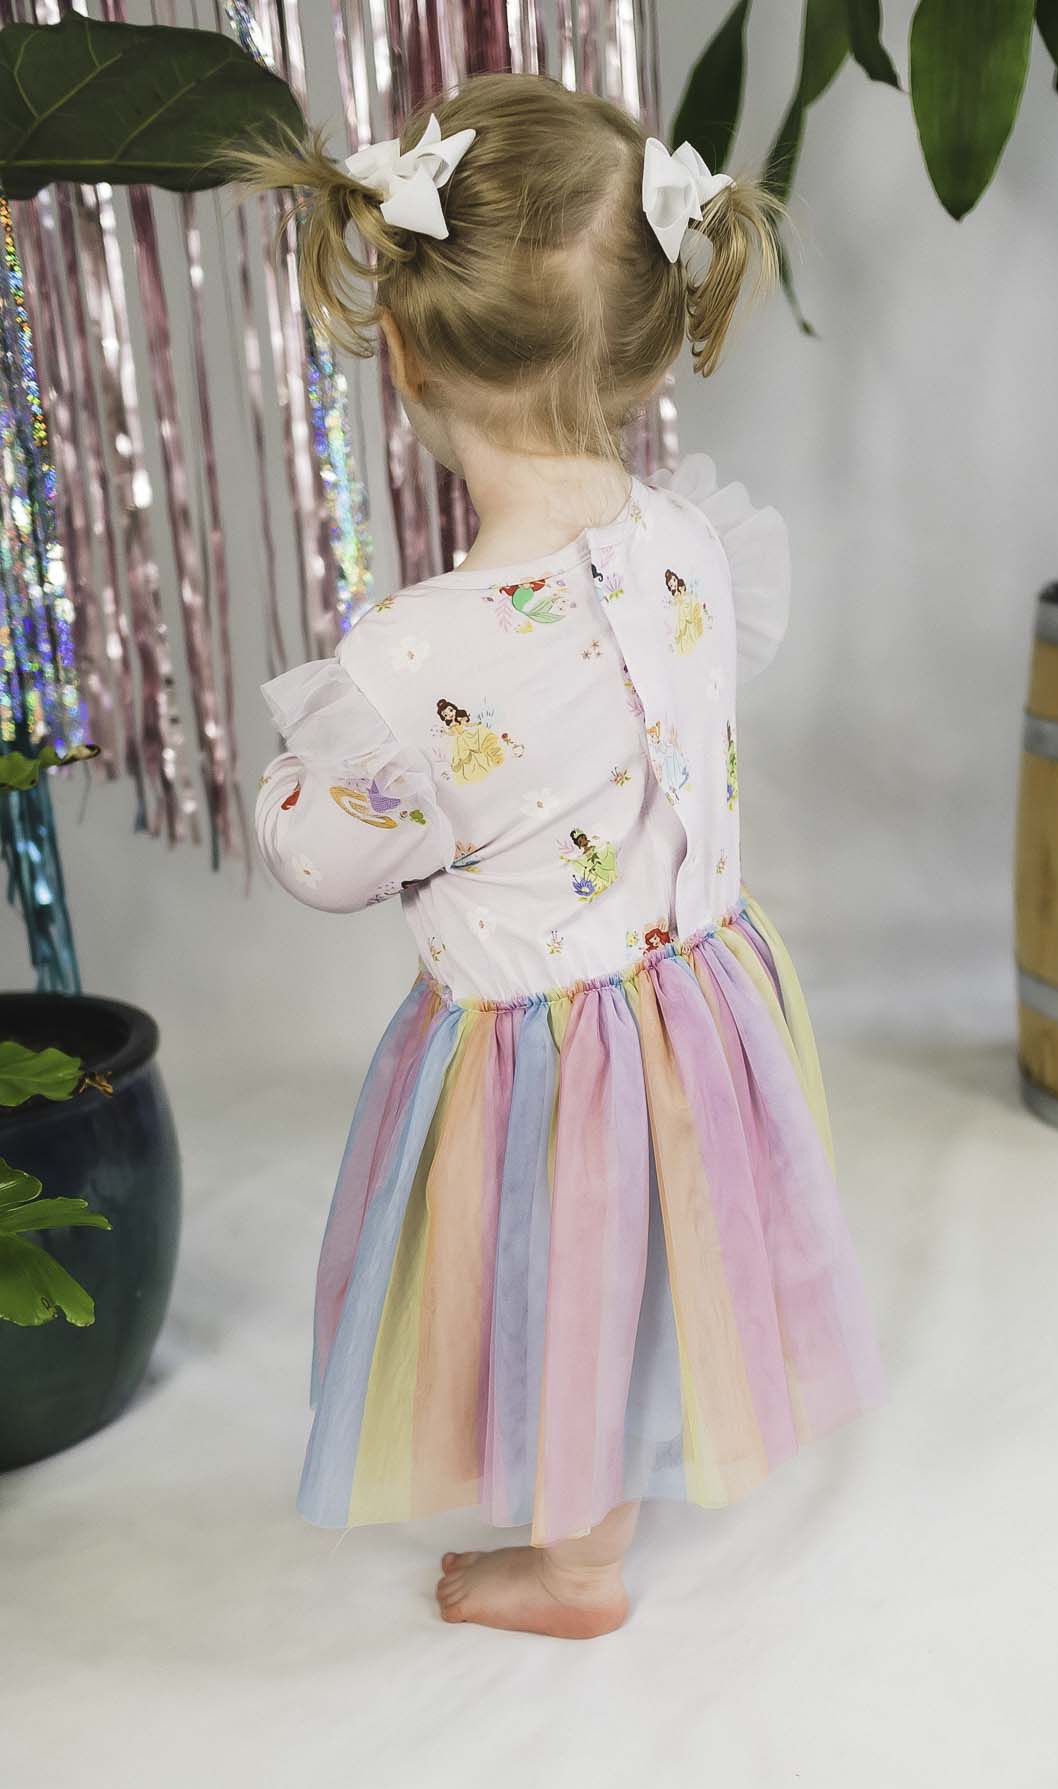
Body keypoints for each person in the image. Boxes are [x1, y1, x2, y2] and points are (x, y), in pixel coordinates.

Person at [237, 75, 883, 1640]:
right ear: (648, 339)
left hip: (549, 1050)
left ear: (401, 353)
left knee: (563, 1272)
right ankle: (621, 1489)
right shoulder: (686, 541)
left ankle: (576, 1567)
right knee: (648, 1259)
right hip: (703, 1003)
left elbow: (322, 861)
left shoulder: (415, 659)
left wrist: (301, 792)